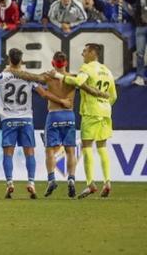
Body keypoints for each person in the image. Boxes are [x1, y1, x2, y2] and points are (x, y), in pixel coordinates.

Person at [10, 52, 80, 198]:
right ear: (66, 63)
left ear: (53, 63)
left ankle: (51, 179)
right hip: (69, 114)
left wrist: (14, 70)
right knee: (70, 151)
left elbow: (33, 78)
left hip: (54, 114)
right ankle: (71, 179)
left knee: (50, 150)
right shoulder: (73, 78)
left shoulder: (48, 76)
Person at [60, 43, 117, 198]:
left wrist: (61, 77)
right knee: (102, 147)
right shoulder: (107, 71)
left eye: (85, 51)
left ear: (92, 52)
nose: (82, 54)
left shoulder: (86, 68)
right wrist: (104, 105)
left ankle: (90, 183)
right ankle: (107, 182)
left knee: (87, 147)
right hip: (106, 112)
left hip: (91, 112)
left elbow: (79, 82)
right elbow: (114, 96)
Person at [0, 48, 39, 199]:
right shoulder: (29, 77)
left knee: (8, 153)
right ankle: (31, 182)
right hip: (26, 119)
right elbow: (42, 92)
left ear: (9, 59)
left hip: (9, 119)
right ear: (21, 60)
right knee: (29, 152)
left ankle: (10, 183)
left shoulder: (2, 76)